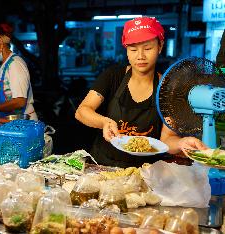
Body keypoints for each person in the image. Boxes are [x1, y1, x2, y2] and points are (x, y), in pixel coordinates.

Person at [75, 16, 207, 168]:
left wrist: (181, 143)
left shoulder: (168, 90)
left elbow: (167, 139)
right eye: (133, 49)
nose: (140, 56)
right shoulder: (113, 76)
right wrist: (104, 122)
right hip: (103, 166)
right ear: (126, 51)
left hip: (146, 173)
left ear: (160, 46)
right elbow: (82, 111)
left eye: (148, 48)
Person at [0, 23, 37, 120]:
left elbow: (20, 101)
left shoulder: (15, 64)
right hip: (11, 122)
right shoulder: (3, 66)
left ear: (0, 45)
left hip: (24, 123)